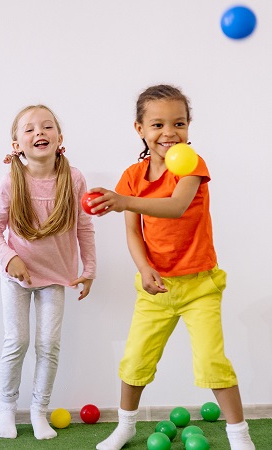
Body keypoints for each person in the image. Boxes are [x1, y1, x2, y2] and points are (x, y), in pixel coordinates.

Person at [87, 84, 255, 450]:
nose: (169, 133)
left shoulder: (192, 165)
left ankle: (240, 435)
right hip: (156, 286)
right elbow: (133, 231)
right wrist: (144, 268)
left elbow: (176, 206)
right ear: (140, 129)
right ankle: (126, 426)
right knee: (135, 359)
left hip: (200, 285)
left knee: (213, 361)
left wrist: (123, 201)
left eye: (179, 123)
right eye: (158, 124)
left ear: (189, 126)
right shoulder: (132, 176)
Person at [0, 105, 97, 440]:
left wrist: (88, 269)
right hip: (17, 276)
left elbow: (85, 227)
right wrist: (9, 259)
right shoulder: (11, 181)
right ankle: (7, 409)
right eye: (30, 129)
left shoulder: (73, 178)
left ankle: (38, 411)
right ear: (16, 143)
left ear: (60, 138)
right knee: (16, 341)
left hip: (56, 276)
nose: (39, 133)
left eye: (47, 127)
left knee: (48, 344)